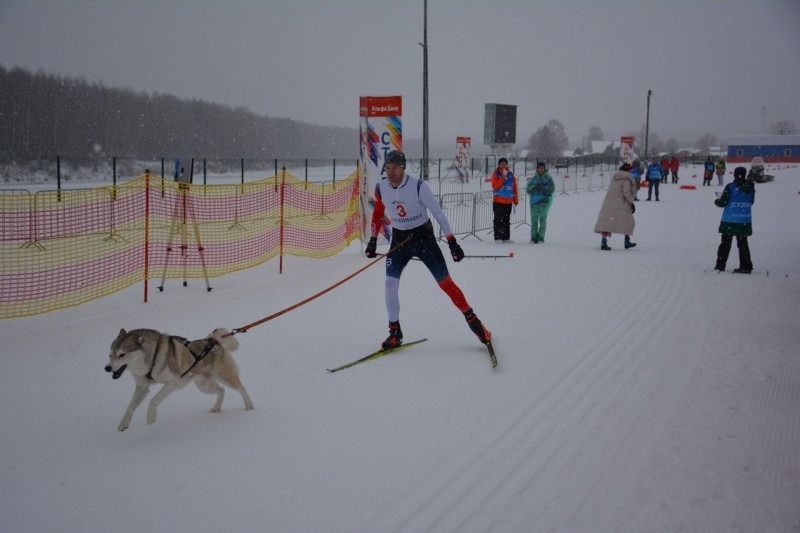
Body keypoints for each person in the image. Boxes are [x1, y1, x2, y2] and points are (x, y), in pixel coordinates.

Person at [365, 150, 492, 350]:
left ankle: (475, 323)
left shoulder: (418, 186)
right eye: (388, 168)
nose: (391, 172)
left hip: (424, 240)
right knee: (390, 283)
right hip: (399, 242)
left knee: (446, 284)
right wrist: (372, 240)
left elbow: (438, 214)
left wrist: (452, 242)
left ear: (403, 168)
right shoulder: (381, 188)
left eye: (395, 168)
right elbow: (378, 214)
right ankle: (394, 332)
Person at [714, 166, 755, 273]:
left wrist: (717, 201)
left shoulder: (731, 187)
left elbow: (723, 202)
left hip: (730, 220)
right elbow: (751, 201)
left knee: (725, 244)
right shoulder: (751, 186)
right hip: (744, 220)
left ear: (735, 175)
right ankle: (746, 266)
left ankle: (720, 265)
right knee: (743, 244)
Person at [594, 163, 638, 250]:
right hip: (621, 203)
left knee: (606, 222)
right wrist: (631, 203)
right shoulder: (627, 179)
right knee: (628, 221)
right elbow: (626, 193)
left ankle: (603, 242)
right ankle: (627, 241)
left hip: (609, 202)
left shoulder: (615, 177)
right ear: (628, 170)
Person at [526, 161, 555, 243]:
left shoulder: (548, 179)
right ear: (537, 169)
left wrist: (544, 188)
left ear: (544, 168)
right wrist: (534, 188)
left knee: (543, 221)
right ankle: (533, 238)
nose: (541, 169)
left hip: (544, 203)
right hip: (534, 204)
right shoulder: (533, 179)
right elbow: (528, 189)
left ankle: (541, 238)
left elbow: (552, 189)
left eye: (542, 168)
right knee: (534, 221)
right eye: (539, 168)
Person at [490, 157, 518, 242]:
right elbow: (495, 186)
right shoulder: (495, 174)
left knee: (506, 220)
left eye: (504, 164)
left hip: (508, 201)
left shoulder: (511, 175)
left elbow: (514, 188)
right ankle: (498, 237)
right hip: (498, 201)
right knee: (498, 220)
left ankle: (506, 237)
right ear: (499, 165)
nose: (503, 165)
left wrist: (515, 199)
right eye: (501, 164)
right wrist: (502, 178)